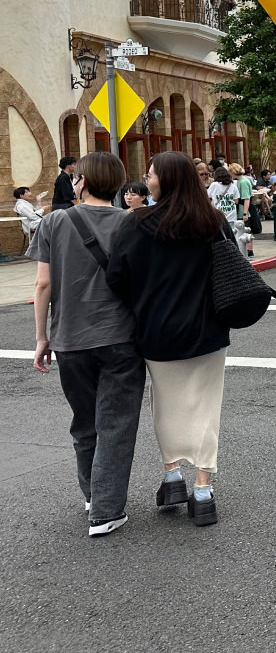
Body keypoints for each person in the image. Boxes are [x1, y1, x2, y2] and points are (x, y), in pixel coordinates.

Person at [106, 151, 234, 528]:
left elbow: (117, 277)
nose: (146, 179)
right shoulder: (213, 221)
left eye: (150, 174)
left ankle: (172, 475)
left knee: (164, 404)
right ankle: (203, 490)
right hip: (208, 330)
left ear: (166, 180)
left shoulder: (137, 224)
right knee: (207, 408)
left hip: (156, 331)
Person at [29, 152, 143, 536]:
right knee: (117, 422)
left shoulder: (54, 222)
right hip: (121, 337)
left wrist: (43, 336)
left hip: (70, 339)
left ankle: (94, 496)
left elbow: (42, 284)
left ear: (82, 181)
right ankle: (106, 510)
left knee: (85, 421)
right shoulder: (133, 224)